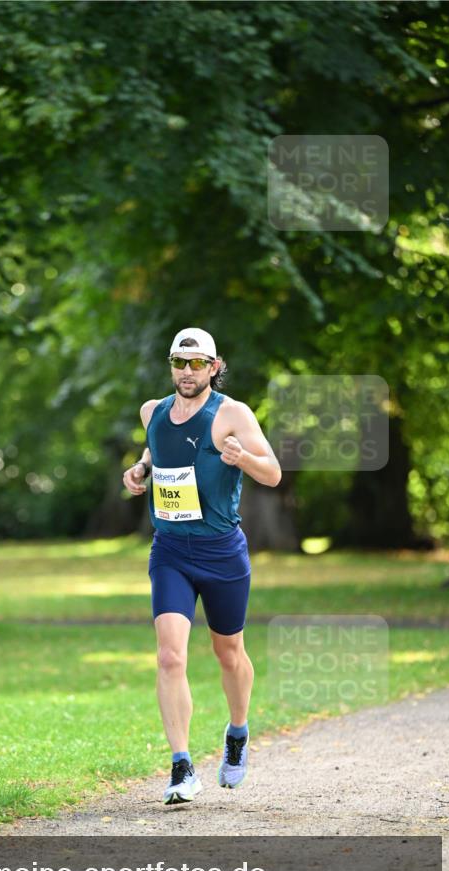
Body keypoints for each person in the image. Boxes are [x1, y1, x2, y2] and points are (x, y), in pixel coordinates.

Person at [123, 328, 282, 805]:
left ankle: (238, 731)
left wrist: (243, 456)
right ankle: (182, 766)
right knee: (170, 656)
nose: (187, 371)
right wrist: (141, 469)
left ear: (214, 367)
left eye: (197, 363)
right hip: (170, 550)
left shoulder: (232, 413)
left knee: (228, 651)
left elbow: (273, 472)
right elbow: (158, 450)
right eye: (179, 361)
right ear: (171, 364)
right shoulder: (152, 411)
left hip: (221, 552)